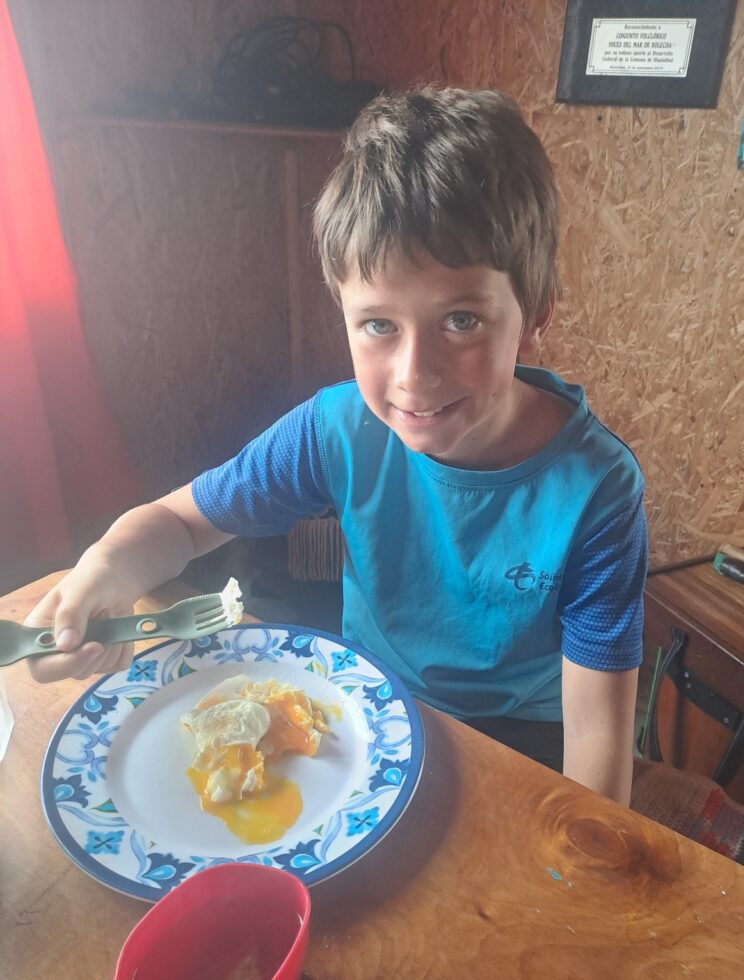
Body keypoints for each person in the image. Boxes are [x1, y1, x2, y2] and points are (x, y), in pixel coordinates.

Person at [25, 87, 647, 806]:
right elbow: (179, 521)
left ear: (534, 315)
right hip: (371, 713)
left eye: (462, 321)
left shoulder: (597, 490)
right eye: (379, 325)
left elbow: (597, 744)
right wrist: (102, 570)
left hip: (523, 743)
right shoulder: (336, 429)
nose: (414, 374)